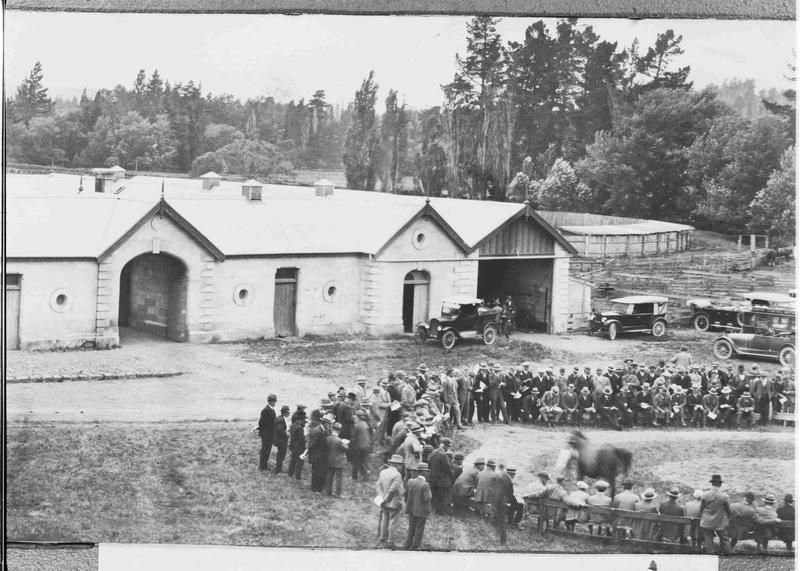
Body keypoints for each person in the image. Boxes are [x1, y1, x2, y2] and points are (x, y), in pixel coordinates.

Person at [376, 454, 405, 549]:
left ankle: (382, 538)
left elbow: (378, 486)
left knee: (385, 519)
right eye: (400, 464)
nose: (401, 466)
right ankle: (391, 541)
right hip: (393, 502)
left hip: (384, 501)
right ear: (397, 465)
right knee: (393, 522)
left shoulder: (383, 472)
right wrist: (387, 498)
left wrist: (382, 497)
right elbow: (393, 489)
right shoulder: (397, 475)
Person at [700, 474, 732, 554]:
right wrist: (727, 518)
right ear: (720, 484)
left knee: (708, 539)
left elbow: (701, 508)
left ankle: (710, 554)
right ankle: (727, 555)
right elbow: (729, 510)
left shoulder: (705, 494)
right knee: (724, 539)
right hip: (719, 521)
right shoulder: (724, 496)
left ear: (712, 483)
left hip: (706, 521)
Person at [404, 462, 433, 550]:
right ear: (424, 472)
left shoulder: (410, 481)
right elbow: (427, 498)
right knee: (419, 527)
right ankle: (415, 545)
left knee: (411, 526)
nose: (427, 474)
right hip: (421, 510)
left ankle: (407, 544)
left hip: (411, 508)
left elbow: (405, 494)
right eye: (427, 472)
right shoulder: (425, 484)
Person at [428, 437, 454, 515]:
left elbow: (429, 465)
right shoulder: (443, 455)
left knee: (435, 494)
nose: (448, 448)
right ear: (445, 446)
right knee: (442, 495)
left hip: (433, 477)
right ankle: (441, 511)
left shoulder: (433, 452)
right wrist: (452, 474)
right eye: (448, 446)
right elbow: (447, 468)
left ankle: (433, 508)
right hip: (442, 479)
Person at [306, 410, 329, 493]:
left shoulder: (321, 430)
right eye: (328, 423)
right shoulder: (319, 431)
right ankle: (315, 489)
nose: (329, 425)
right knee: (317, 472)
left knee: (319, 472)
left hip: (319, 455)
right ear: (324, 423)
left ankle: (318, 488)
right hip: (317, 456)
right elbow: (313, 445)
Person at [326, 422, 349, 498]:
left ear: (332, 429)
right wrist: (346, 443)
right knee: (339, 478)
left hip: (330, 461)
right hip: (339, 462)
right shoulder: (339, 441)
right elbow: (346, 449)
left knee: (329, 477)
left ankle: (328, 492)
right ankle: (338, 493)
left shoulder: (328, 438)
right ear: (339, 431)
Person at [350, 411, 372, 483]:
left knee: (355, 463)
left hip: (359, 447)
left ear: (359, 417)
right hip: (366, 446)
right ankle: (365, 479)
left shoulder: (357, 426)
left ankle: (354, 478)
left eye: (356, 416)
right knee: (364, 463)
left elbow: (353, 437)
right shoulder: (365, 424)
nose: (355, 418)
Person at [258, 394, 278, 471]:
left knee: (267, 449)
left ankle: (264, 465)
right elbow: (261, 423)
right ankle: (262, 466)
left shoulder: (271, 410)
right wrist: (265, 431)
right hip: (266, 434)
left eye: (275, 401)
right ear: (270, 401)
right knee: (265, 449)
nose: (274, 403)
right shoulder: (265, 410)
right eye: (273, 401)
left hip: (270, 434)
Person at [287, 409, 307, 480]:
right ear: (301, 419)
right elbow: (302, 439)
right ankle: (298, 476)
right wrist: (305, 447)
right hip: (299, 448)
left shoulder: (292, 425)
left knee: (293, 460)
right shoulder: (300, 428)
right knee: (300, 462)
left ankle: (290, 473)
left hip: (293, 446)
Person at [274, 404, 290, 474]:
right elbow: (279, 430)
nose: (289, 413)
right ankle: (278, 470)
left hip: (282, 439)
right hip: (281, 440)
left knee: (281, 454)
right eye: (288, 412)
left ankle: (279, 469)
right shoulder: (280, 419)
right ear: (285, 412)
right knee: (281, 454)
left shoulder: (281, 418)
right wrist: (286, 433)